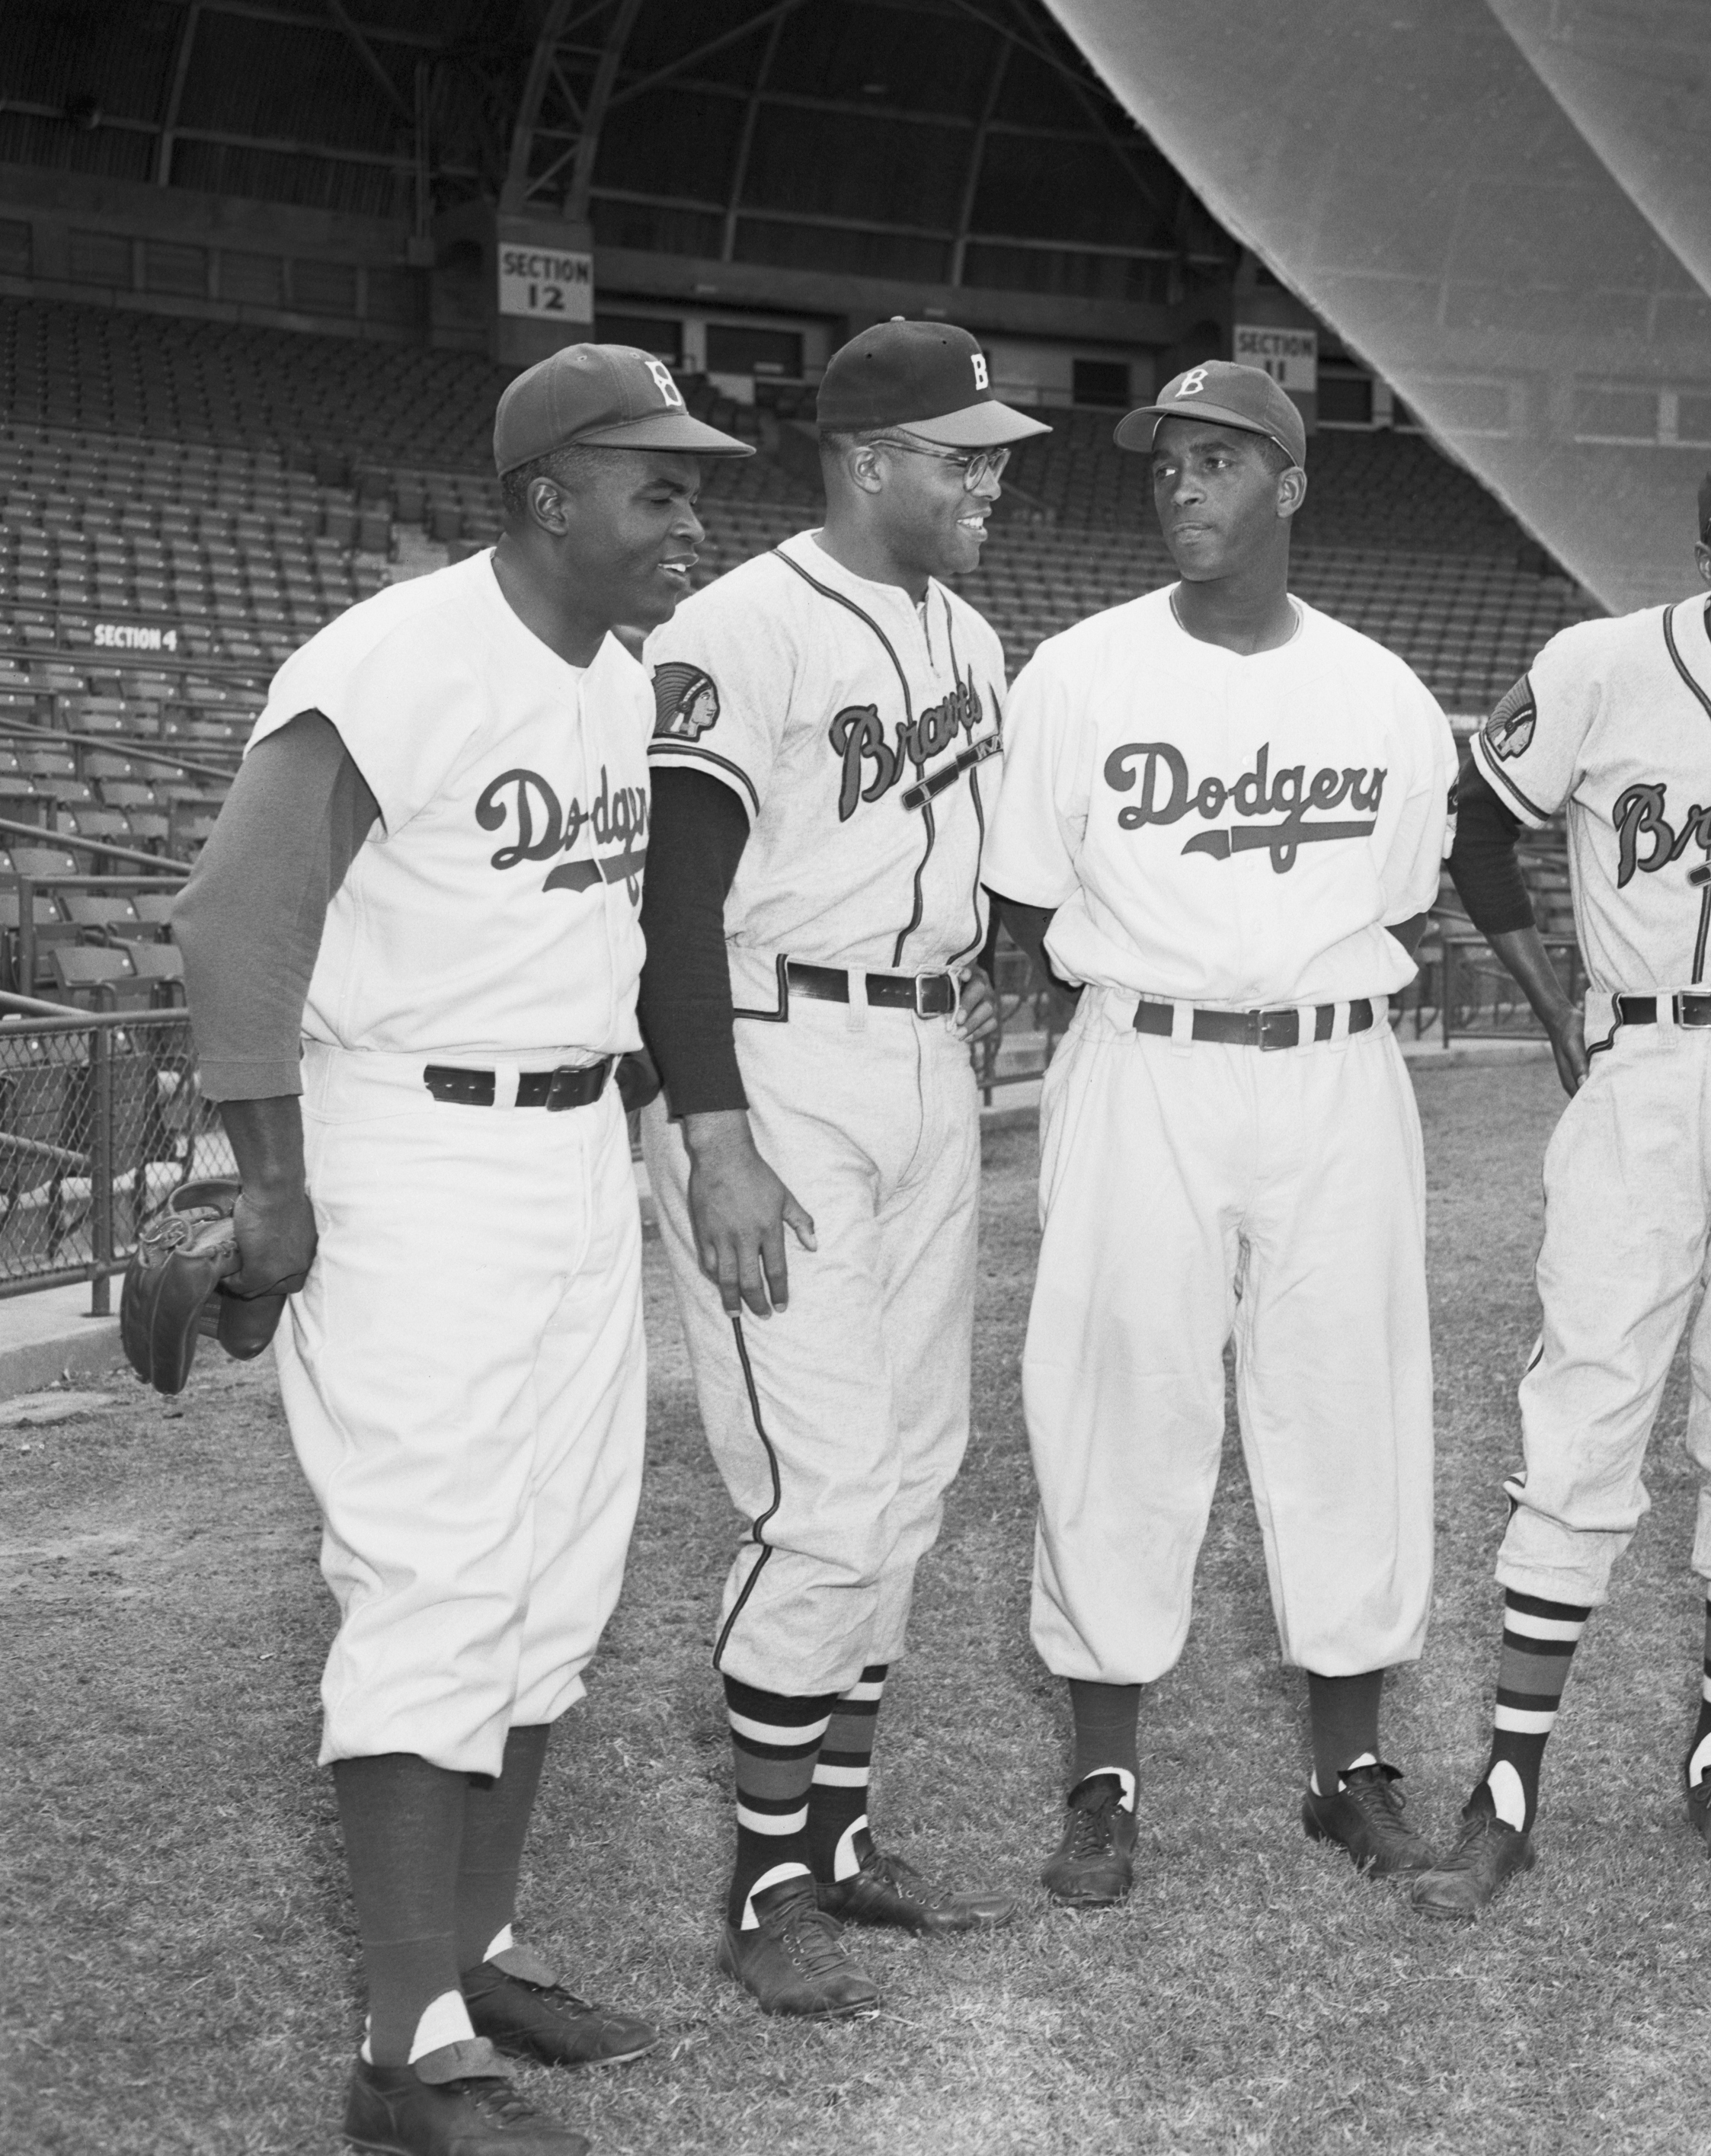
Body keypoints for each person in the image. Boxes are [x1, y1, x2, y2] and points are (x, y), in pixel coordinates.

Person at [172, 344, 749, 2156]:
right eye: (655, 486)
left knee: (554, 1582)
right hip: (412, 1147)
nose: (689, 517)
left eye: (693, 483)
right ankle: (403, 2053)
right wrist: (272, 1188)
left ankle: (475, 1951)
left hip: (569, 1145)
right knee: (432, 1577)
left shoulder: (614, 681)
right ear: (544, 495)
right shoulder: (396, 659)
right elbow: (232, 919)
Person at [978, 361, 1457, 1907]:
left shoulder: (1383, 693)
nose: (1181, 486)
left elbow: (1391, 899)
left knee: (1348, 1404)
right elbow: (1025, 905)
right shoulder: (1076, 675)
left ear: (1291, 487)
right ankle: (1105, 1774)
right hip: (1149, 1063)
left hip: (1332, 1072)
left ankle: (1348, 1766)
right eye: (1166, 462)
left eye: (1218, 461)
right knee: (1120, 1400)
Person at [1407, 434, 1711, 1924]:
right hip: (1646, 1068)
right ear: (1707, 551)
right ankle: (1507, 1784)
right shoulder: (1599, 667)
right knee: (1586, 1407)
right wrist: (1552, 1001)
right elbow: (1473, 816)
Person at [633, 319, 1040, 2017]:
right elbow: (668, 904)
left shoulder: (972, 629)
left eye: (994, 450)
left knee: (915, 1475)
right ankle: (764, 1881)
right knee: (823, 1497)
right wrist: (713, 1130)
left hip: (921, 1060)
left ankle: (846, 1839)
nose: (992, 475)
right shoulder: (742, 624)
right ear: (870, 459)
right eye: (962, 453)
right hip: (771, 1057)